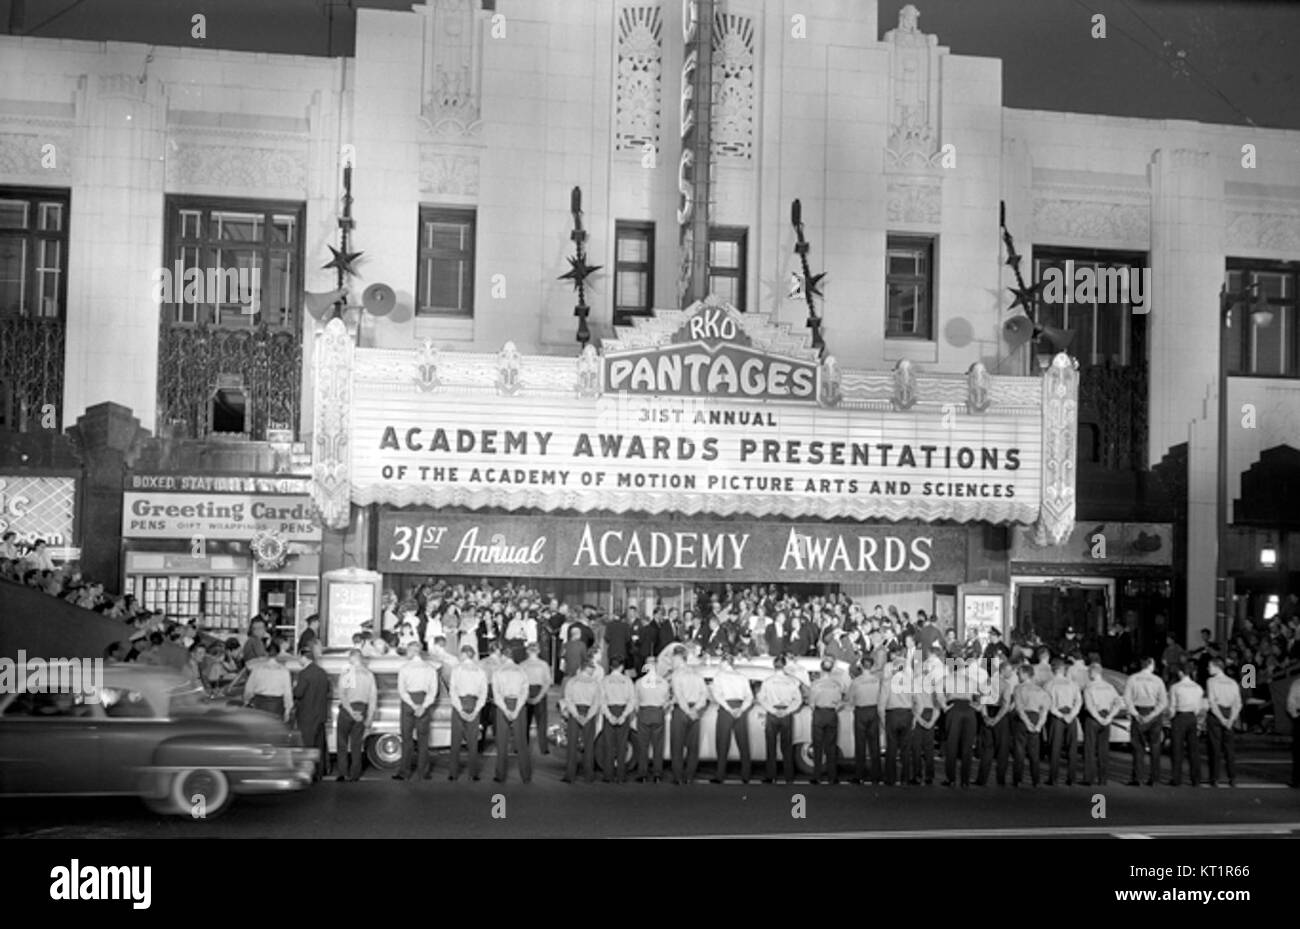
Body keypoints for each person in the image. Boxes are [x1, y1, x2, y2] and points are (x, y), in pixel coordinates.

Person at [395, 644, 439, 781]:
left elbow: (401, 691)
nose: (406, 653)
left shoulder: (404, 668)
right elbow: (433, 691)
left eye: (408, 650)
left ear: (413, 652)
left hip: (408, 703)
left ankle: (404, 772)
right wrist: (423, 706)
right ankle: (423, 772)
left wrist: (413, 705)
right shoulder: (430, 669)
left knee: (406, 739)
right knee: (423, 739)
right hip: (424, 701)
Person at [709, 653, 753, 784]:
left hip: (726, 709)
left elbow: (717, 696)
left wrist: (729, 709)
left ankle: (720, 775)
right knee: (743, 743)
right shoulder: (742, 677)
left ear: (725, 662)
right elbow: (749, 697)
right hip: (740, 708)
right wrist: (741, 709)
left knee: (722, 743)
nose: (719, 665)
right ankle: (746, 775)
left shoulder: (719, 677)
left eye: (720, 662)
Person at [1123, 656, 1168, 786]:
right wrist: (1153, 714)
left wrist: (1135, 714)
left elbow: (1127, 699)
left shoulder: (1132, 678)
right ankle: (1154, 779)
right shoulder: (1158, 680)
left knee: (1138, 747)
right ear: (1151, 665)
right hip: (1154, 713)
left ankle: (1138, 778)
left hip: (1138, 711)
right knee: (1155, 746)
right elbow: (1163, 702)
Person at [759, 654, 803, 784]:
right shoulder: (792, 681)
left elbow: (762, 698)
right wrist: (787, 711)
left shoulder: (767, 681)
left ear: (774, 666)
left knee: (770, 745)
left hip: (772, 714)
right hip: (786, 714)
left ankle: (771, 776)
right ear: (784, 666)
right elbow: (798, 700)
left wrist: (773, 710)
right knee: (787, 746)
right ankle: (789, 776)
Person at [291, 641, 332, 782]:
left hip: (306, 715)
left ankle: (309, 774)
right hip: (320, 714)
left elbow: (298, 693)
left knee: (307, 745)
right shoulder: (322, 673)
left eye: (299, 657)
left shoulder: (304, 674)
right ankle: (320, 772)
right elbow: (327, 691)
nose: (298, 660)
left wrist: (294, 687)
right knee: (319, 745)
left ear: (304, 657)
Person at [668, 648, 709, 785]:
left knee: (677, 745)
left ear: (678, 658)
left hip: (681, 712)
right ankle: (689, 776)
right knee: (693, 747)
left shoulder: (676, 675)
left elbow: (679, 695)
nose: (671, 662)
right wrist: (695, 709)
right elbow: (704, 694)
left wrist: (687, 710)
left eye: (673, 659)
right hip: (695, 712)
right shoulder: (697, 674)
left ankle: (678, 777)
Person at [448, 645, 488, 781]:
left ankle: (453, 773)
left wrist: (459, 709)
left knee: (456, 740)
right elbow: (484, 692)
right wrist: (477, 709)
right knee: (473, 741)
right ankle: (473, 773)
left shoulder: (457, 669)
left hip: (459, 702)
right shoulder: (480, 671)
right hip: (474, 702)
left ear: (464, 654)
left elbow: (452, 690)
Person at [336, 649, 377, 782]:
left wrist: (351, 711)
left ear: (352, 658)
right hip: (363, 710)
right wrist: (369, 717)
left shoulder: (348, 673)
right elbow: (373, 698)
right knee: (356, 743)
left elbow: (342, 695)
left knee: (342, 742)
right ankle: (355, 774)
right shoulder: (369, 675)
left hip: (348, 710)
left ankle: (343, 772)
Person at [491, 650, 532, 784]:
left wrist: (505, 709)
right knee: (521, 742)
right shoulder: (522, 671)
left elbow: (496, 694)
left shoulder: (498, 672)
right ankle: (526, 776)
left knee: (502, 742)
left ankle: (500, 775)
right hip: (518, 705)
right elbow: (525, 693)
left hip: (503, 704)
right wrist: (516, 710)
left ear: (503, 656)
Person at [976, 653, 1014, 787]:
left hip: (988, 711)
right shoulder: (1006, 685)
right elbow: (1005, 705)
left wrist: (986, 717)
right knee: (1002, 749)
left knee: (987, 748)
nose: (1011, 673)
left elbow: (982, 701)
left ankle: (982, 779)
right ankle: (1000, 779)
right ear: (1003, 670)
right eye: (1010, 670)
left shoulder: (987, 681)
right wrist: (996, 719)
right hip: (1000, 716)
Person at [561, 659, 601, 783]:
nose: (594, 670)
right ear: (587, 668)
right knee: (588, 745)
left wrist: (576, 715)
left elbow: (568, 699)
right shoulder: (595, 683)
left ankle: (570, 775)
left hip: (575, 713)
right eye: (592, 668)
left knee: (572, 745)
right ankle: (588, 776)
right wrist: (588, 716)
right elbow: (597, 702)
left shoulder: (572, 681)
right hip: (589, 713)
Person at [806, 656, 845, 784]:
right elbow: (840, 703)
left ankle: (816, 776)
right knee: (831, 746)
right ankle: (832, 777)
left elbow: (811, 703)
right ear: (832, 669)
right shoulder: (836, 684)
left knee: (817, 746)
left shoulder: (815, 684)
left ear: (821, 669)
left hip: (819, 713)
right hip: (831, 713)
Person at [1043, 659, 1083, 786]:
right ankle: (1071, 778)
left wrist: (1060, 715)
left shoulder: (1049, 684)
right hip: (1071, 716)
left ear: (1053, 670)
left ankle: (1053, 778)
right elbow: (1078, 701)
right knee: (1072, 748)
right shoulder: (1073, 683)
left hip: (1057, 717)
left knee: (1055, 747)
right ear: (1063, 669)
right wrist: (1071, 715)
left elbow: (1048, 704)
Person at [1081, 662, 1121, 786]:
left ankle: (1089, 778)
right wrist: (1109, 717)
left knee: (1090, 749)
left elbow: (1089, 706)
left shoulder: (1088, 687)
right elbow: (1117, 703)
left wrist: (1097, 717)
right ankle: (1103, 779)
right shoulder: (1110, 687)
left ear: (1093, 673)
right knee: (1103, 749)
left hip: (1093, 718)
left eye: (1088, 672)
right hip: (1106, 717)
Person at [1203, 657, 1241, 788]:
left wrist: (1221, 719)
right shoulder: (1232, 682)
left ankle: (1215, 778)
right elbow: (1238, 703)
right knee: (1229, 749)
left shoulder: (1211, 681)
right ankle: (1232, 778)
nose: (1208, 669)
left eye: (1210, 666)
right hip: (1229, 712)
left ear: (1216, 666)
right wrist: (1230, 719)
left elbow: (1212, 702)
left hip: (1216, 715)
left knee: (1215, 748)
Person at [599, 656, 636, 784]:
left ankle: (608, 775)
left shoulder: (605, 681)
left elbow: (601, 700)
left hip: (609, 710)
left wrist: (609, 716)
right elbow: (632, 700)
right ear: (621, 667)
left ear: (610, 667)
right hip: (622, 710)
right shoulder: (627, 681)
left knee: (609, 745)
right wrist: (624, 716)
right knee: (622, 745)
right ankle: (621, 776)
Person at [879, 654, 915, 787]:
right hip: (906, 713)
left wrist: (883, 721)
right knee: (905, 749)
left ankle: (890, 778)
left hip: (892, 714)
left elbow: (881, 704)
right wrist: (915, 717)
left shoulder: (887, 682)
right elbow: (917, 701)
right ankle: (905, 777)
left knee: (891, 748)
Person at [1011, 664, 1050, 787]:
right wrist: (1038, 725)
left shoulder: (1018, 688)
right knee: (1034, 752)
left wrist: (1026, 722)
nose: (1017, 675)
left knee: (1019, 750)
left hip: (1022, 720)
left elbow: (1019, 708)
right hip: (1035, 717)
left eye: (1019, 673)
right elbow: (1044, 710)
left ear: (1026, 674)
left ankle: (1018, 779)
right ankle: (1035, 780)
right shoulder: (1041, 690)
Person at [1166, 662, 1204, 787]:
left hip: (1179, 716)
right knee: (1194, 750)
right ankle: (1196, 779)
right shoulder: (1198, 687)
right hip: (1192, 717)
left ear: (1180, 673)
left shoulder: (1175, 687)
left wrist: (1171, 717)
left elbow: (1171, 706)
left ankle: (1176, 778)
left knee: (1177, 749)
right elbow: (1199, 707)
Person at [848, 656, 884, 786]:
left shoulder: (856, 681)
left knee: (860, 744)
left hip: (861, 711)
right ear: (872, 666)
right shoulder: (877, 680)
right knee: (875, 744)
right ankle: (876, 775)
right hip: (874, 711)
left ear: (862, 666)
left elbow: (850, 699)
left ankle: (859, 775)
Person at [634, 659, 670, 782]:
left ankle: (642, 774)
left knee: (643, 746)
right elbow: (667, 701)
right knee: (658, 746)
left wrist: (639, 711)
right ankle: (657, 774)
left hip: (644, 712)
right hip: (658, 712)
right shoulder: (664, 682)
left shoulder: (639, 682)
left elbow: (635, 701)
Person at [244, 641, 293, 723]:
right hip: (277, 706)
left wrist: (246, 701)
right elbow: (287, 693)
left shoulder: (257, 669)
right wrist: (287, 710)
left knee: (259, 730)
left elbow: (249, 689)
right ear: (278, 654)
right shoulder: (284, 671)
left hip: (259, 704)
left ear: (266, 653)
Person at [520, 642, 553, 755]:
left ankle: (524, 746)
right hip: (535, 691)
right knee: (540, 722)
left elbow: (520, 683)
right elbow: (547, 682)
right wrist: (539, 696)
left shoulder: (522, 665)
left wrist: (528, 696)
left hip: (529, 692)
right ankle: (543, 748)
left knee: (526, 722)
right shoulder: (543, 664)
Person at [1288, 675, 1300, 788]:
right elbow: (1291, 703)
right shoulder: (1297, 683)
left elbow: (1291, 702)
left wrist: (1295, 716)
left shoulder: (1297, 683)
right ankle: (1296, 779)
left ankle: (1296, 780)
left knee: (1297, 751)